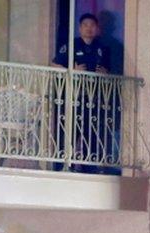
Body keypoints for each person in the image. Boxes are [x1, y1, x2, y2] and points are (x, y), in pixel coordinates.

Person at [50, 13, 108, 173]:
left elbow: (107, 70)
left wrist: (105, 73)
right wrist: (72, 70)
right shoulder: (71, 45)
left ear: (97, 29)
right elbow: (54, 64)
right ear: (80, 28)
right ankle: (64, 164)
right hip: (74, 96)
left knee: (92, 132)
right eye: (85, 25)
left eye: (92, 25)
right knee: (70, 130)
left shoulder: (102, 48)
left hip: (94, 97)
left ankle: (89, 166)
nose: (89, 28)